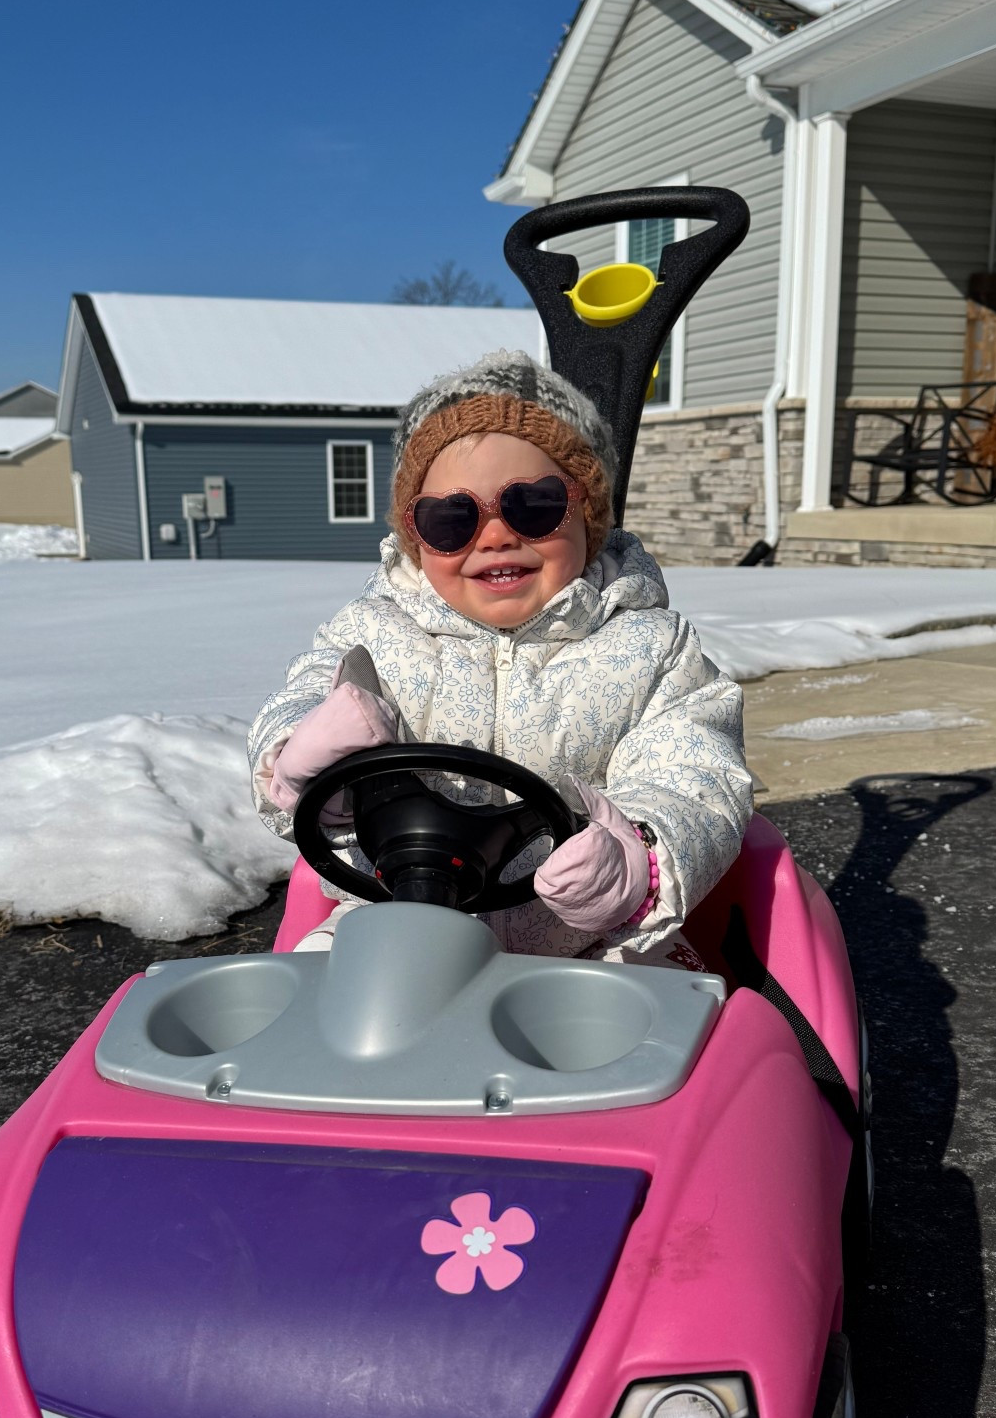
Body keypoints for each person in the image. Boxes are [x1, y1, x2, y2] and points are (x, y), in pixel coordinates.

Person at [248, 350, 752, 961]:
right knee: (304, 1018)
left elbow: (695, 779)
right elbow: (302, 696)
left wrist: (637, 864)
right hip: (388, 922)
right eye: (450, 518)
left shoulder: (651, 650)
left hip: (593, 941)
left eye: (531, 506)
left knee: (663, 1039)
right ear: (416, 537)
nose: (494, 535)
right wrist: (304, 765)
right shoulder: (371, 636)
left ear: (586, 516)